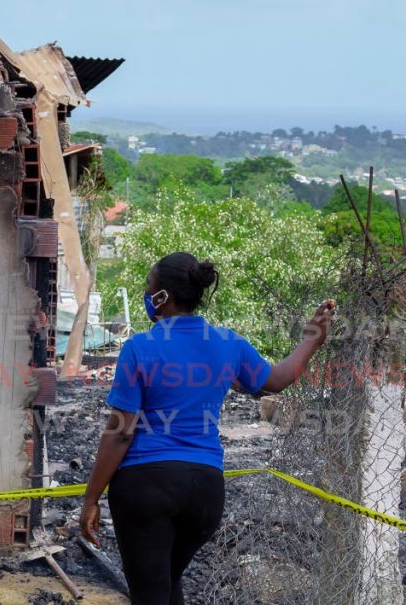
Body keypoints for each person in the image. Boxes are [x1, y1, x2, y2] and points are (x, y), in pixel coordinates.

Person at [79, 252, 334, 605]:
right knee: (167, 582)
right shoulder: (229, 344)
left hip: (146, 487)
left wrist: (91, 498)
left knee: (150, 592)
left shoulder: (140, 347)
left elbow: (121, 432)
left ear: (163, 296)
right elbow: (276, 380)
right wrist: (311, 339)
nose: (146, 294)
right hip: (205, 491)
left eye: (148, 288)